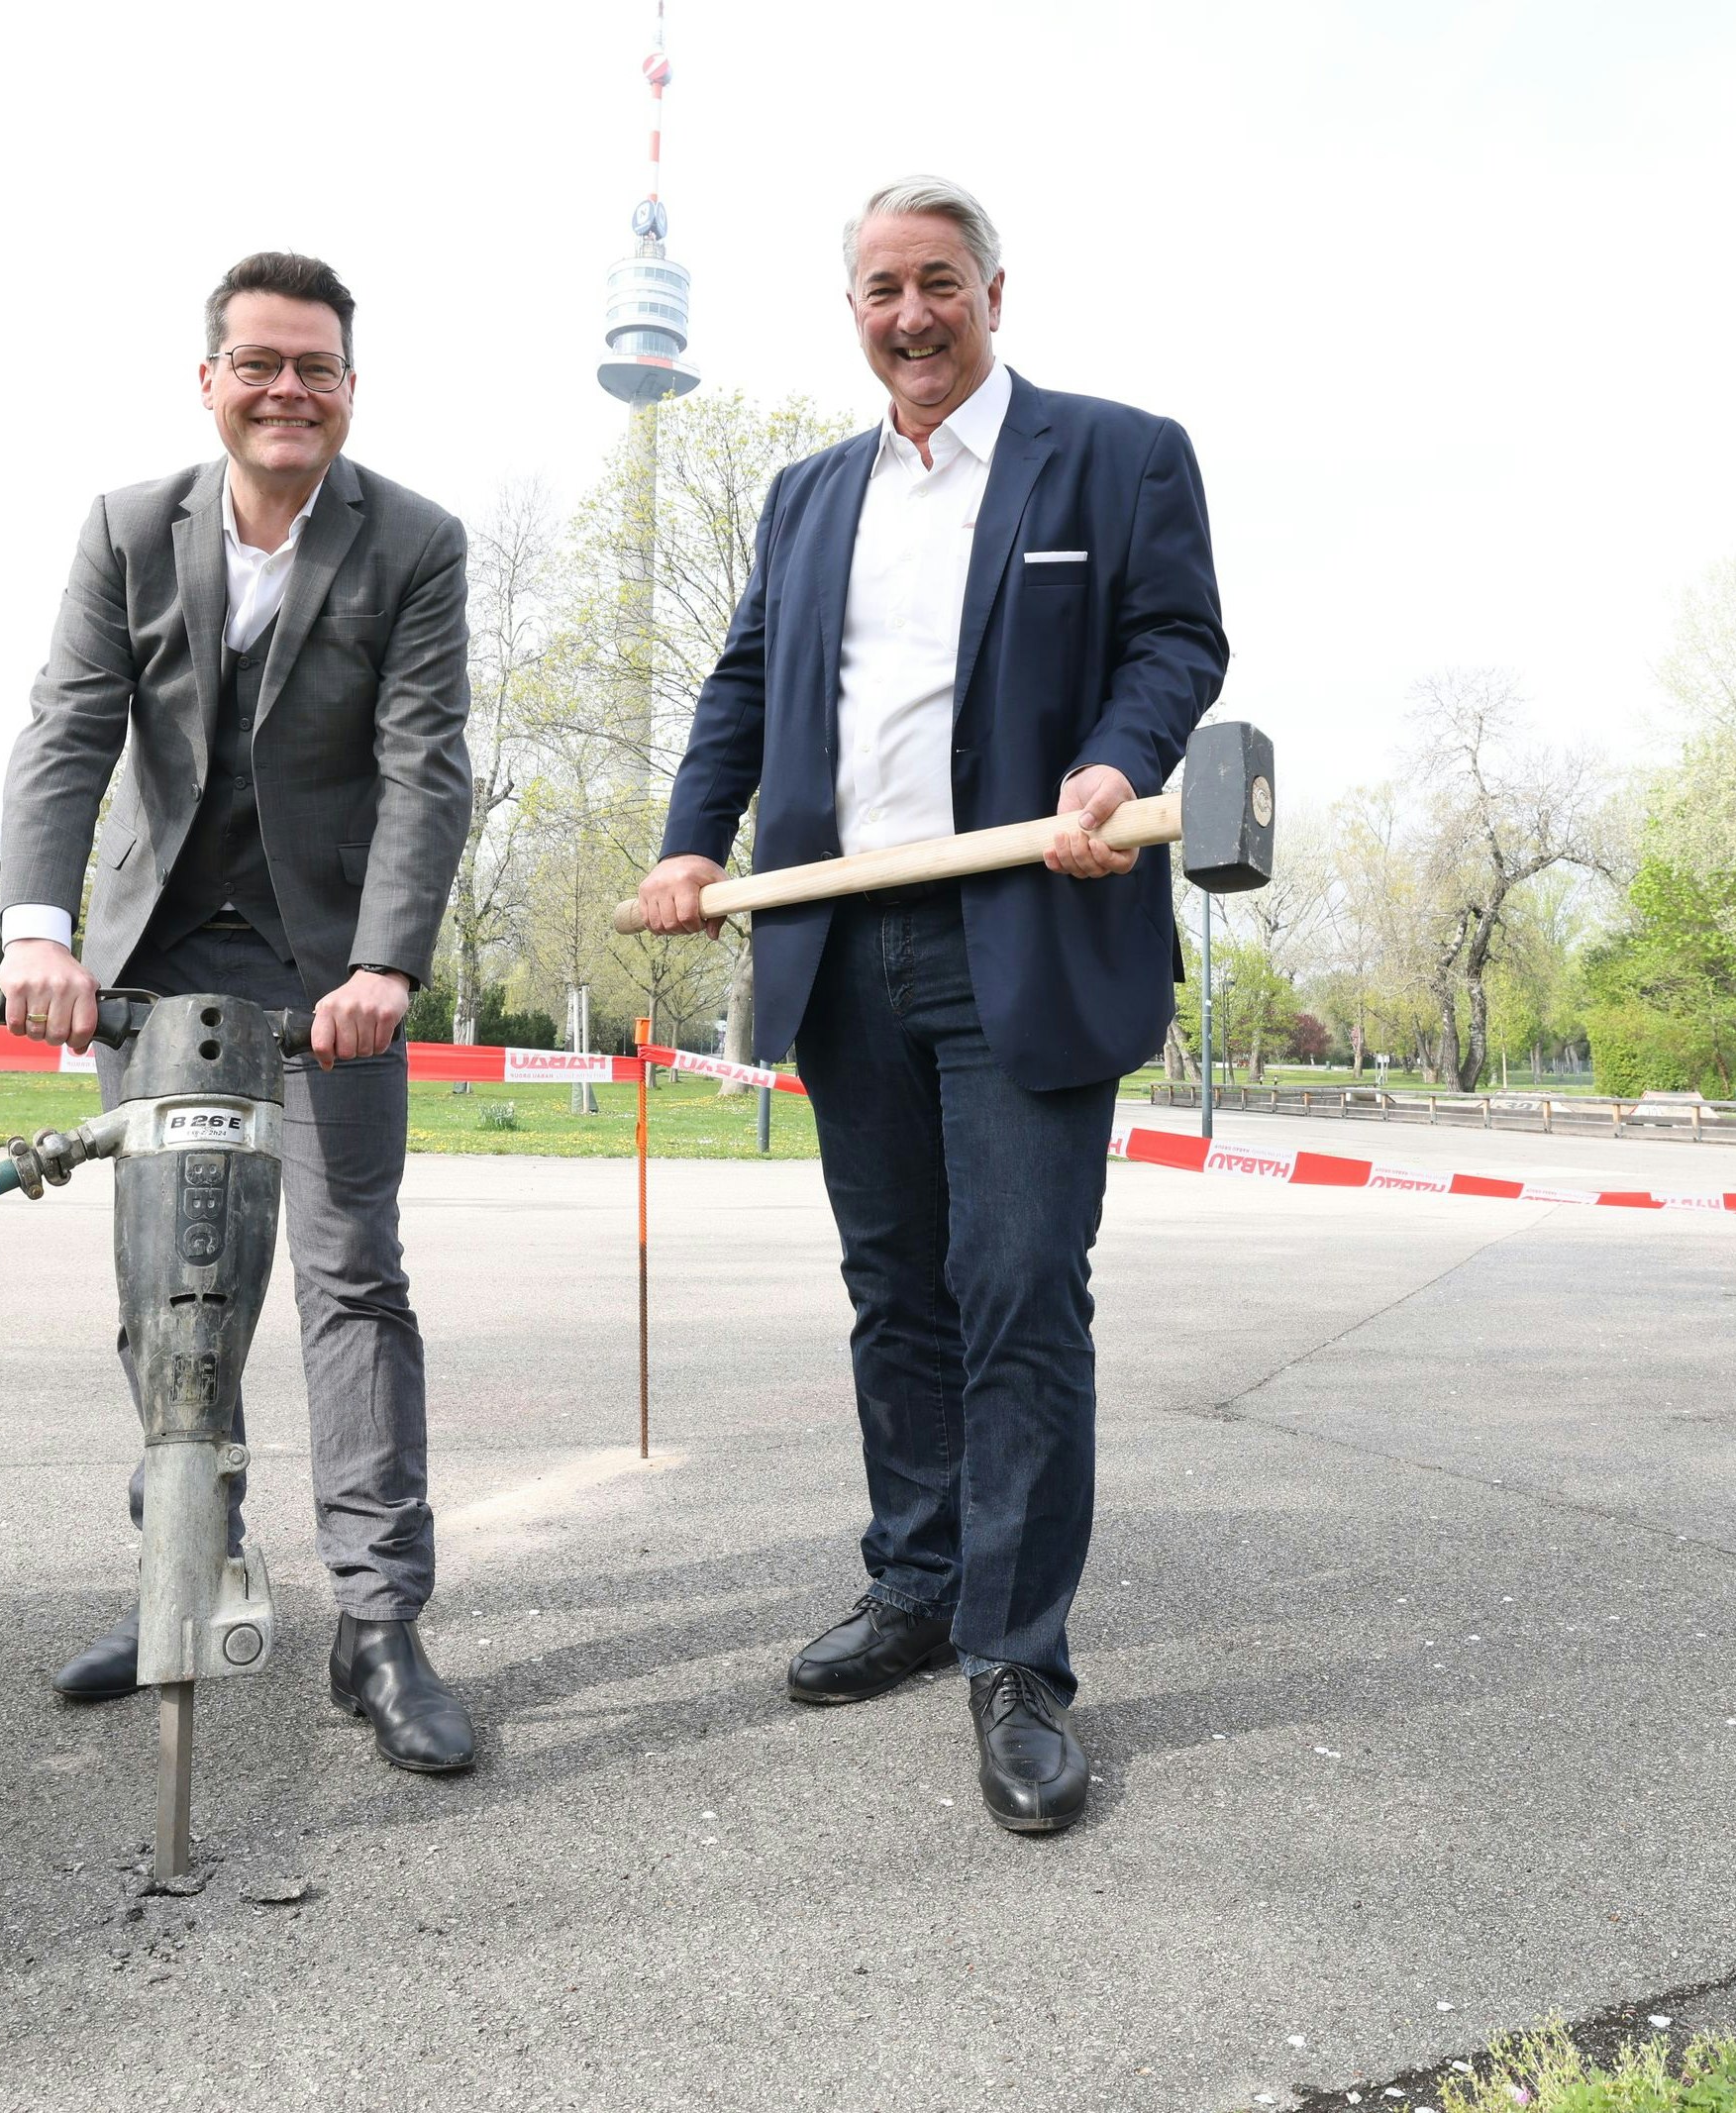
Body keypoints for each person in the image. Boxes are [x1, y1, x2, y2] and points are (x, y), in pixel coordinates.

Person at [636, 177, 1229, 1833]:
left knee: (1019, 1284)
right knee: (896, 1285)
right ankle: (915, 1585)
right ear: (854, 310)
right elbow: (747, 682)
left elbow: (1178, 640)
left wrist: (1119, 762)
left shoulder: (1116, 456)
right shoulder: (806, 496)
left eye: (940, 283)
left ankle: (1017, 1655)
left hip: (1028, 928)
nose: (912, 313)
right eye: (882, 288)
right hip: (842, 939)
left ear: (992, 291)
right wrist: (694, 843)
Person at [0, 251, 478, 1773]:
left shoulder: (413, 543)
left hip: (327, 966)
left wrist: (387, 964)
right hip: (152, 960)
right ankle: (179, 1577)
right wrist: (39, 927)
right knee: (168, 1292)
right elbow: (68, 731)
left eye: (316, 367)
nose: (289, 390)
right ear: (208, 380)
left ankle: (380, 1626)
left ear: (350, 387)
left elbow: (425, 765)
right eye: (259, 364)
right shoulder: (129, 531)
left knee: (352, 1278)